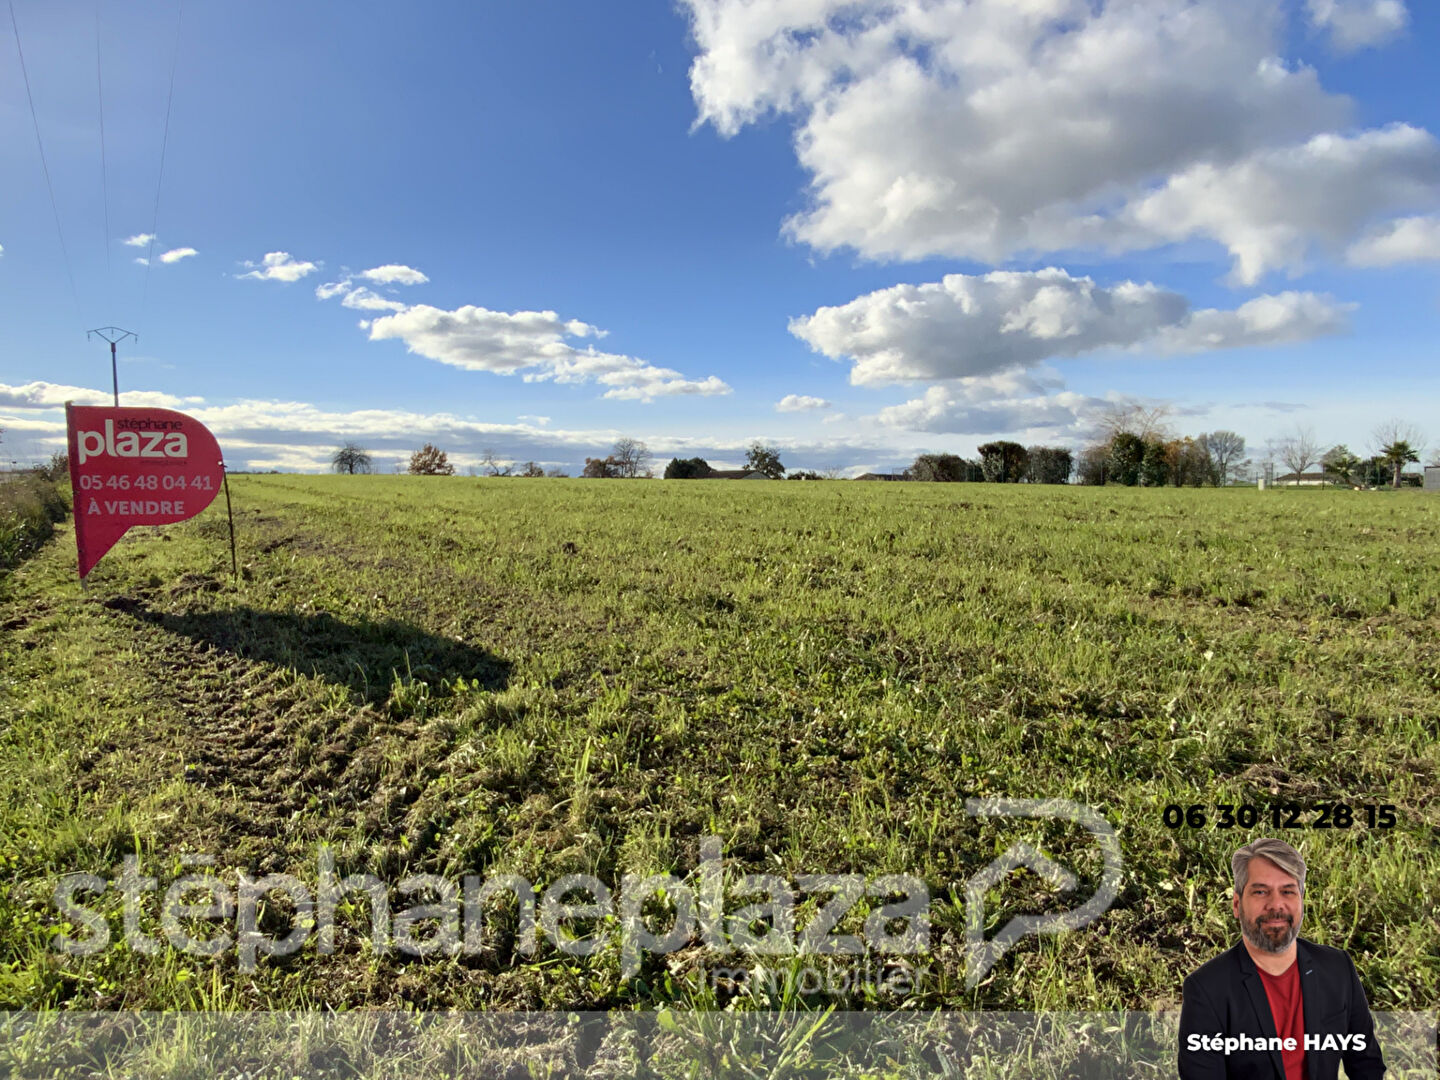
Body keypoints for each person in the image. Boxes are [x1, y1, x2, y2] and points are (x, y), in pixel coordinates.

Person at [1178, 838, 1385, 1079]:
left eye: (1287, 891)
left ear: (1301, 900)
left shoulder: (1338, 968)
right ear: (1237, 904)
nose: (1276, 904)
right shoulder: (1206, 989)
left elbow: (1367, 1065)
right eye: (1260, 891)